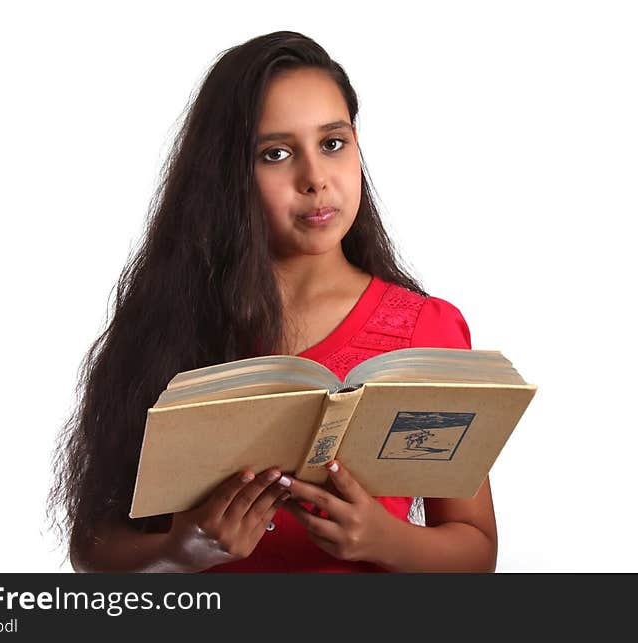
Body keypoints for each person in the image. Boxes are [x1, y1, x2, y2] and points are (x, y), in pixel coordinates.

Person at [47, 30, 498, 573]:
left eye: (333, 143)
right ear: (228, 172)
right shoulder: (167, 326)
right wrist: (180, 551)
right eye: (276, 153)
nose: (314, 179)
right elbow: (92, 551)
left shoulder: (426, 331)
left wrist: (384, 540)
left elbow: (476, 551)